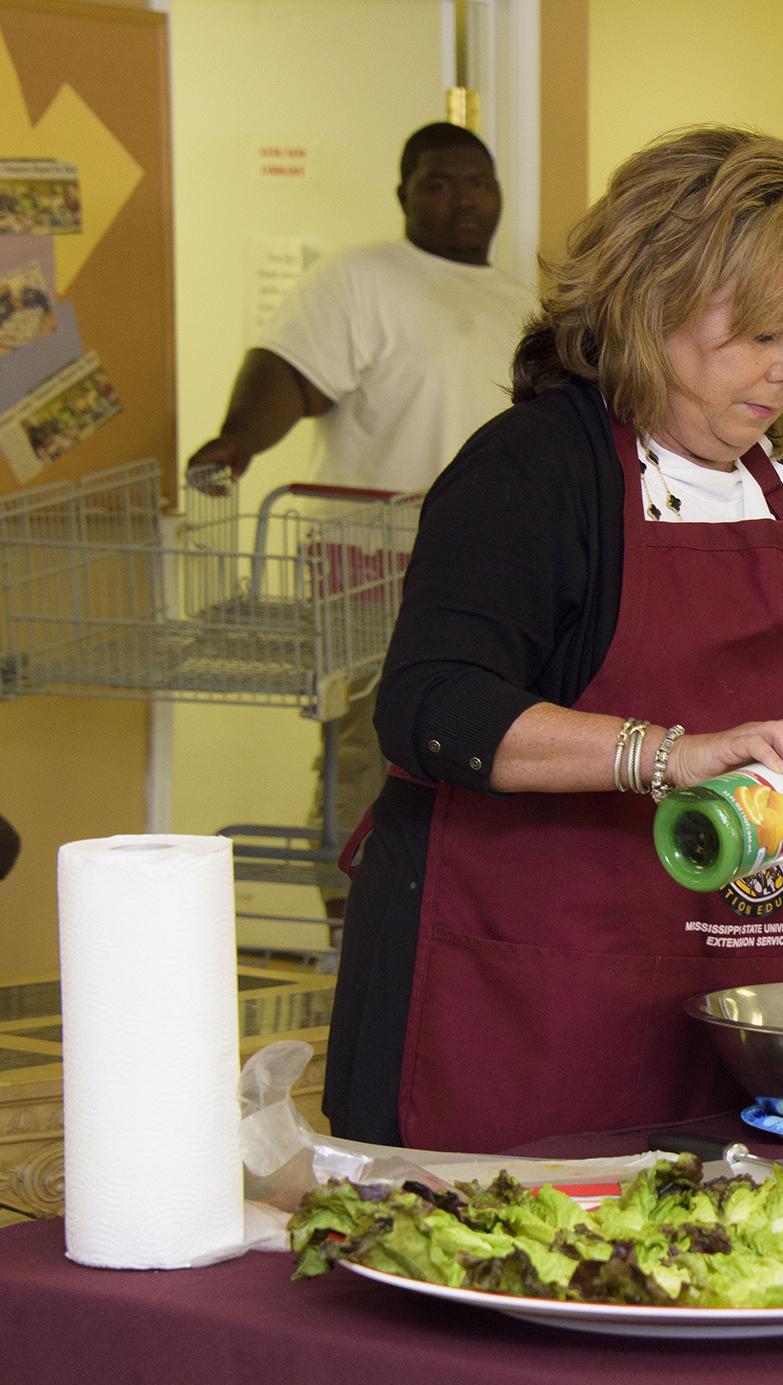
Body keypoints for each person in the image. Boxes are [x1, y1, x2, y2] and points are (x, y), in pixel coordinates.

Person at [322, 126, 783, 1150]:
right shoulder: (534, 470)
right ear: (652, 292)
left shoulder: (775, 490)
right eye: (763, 333)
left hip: (725, 997)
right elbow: (428, 709)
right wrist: (668, 758)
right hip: (520, 998)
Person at [187, 122, 540, 891]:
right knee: (367, 747)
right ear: (403, 194)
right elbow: (290, 369)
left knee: (480, 739)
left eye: (477, 182)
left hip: (488, 566)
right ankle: (355, 923)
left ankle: (442, 917)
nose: (462, 200)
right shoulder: (360, 278)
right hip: (369, 562)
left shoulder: (524, 303)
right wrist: (237, 440)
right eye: (438, 184)